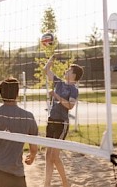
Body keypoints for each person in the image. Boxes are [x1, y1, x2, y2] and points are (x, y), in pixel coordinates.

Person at [43, 54, 84, 187]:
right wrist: (52, 58)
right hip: (52, 120)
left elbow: (70, 106)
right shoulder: (59, 82)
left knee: (54, 156)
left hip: (62, 123)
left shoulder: (74, 90)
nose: (65, 71)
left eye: (68, 70)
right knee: (48, 154)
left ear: (73, 75)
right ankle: (47, 183)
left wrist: (56, 95)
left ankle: (65, 183)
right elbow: (46, 70)